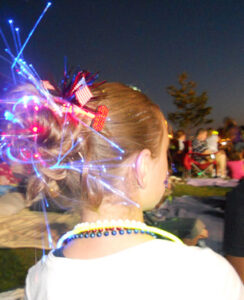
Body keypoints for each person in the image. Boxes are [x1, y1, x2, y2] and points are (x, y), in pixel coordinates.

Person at [24, 82, 243, 299]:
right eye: (165, 154)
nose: (168, 168)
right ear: (143, 166)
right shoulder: (208, 275)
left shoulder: (37, 278)